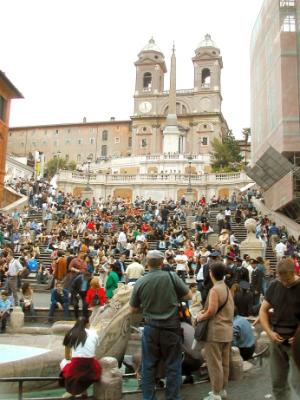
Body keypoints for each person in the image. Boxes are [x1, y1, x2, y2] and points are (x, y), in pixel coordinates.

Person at [130, 250, 192, 400]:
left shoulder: (141, 281)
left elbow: (133, 309)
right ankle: (172, 397)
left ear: (147, 263)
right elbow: (188, 295)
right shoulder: (171, 276)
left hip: (151, 327)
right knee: (173, 366)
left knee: (148, 366)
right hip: (171, 327)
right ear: (162, 263)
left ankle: (149, 398)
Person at [259, 258, 300, 399]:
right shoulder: (274, 285)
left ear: (293, 273)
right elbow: (263, 310)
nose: (284, 283)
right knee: (277, 382)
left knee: (298, 383)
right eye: (281, 279)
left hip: (297, 342)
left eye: (287, 280)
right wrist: (269, 333)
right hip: (277, 338)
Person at [196, 262, 234, 400]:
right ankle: (222, 390)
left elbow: (211, 311)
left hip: (215, 331)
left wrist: (201, 316)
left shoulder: (214, 290)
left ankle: (216, 393)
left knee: (214, 364)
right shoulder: (226, 288)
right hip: (227, 330)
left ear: (211, 273)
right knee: (224, 363)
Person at [60, 317, 101, 398]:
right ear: (87, 324)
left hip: (77, 365)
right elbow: (93, 351)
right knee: (86, 369)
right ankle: (83, 392)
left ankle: (70, 391)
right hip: (91, 365)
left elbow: (67, 356)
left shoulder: (71, 333)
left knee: (64, 363)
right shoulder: (94, 333)